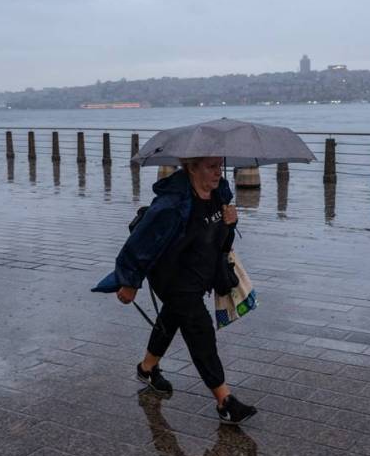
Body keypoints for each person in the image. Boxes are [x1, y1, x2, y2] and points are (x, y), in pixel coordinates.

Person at [93, 157, 258, 425]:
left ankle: (146, 369)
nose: (217, 172)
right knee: (199, 329)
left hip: (200, 275)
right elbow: (142, 243)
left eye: (219, 165)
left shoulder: (220, 194)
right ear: (192, 167)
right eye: (210, 166)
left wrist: (230, 224)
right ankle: (224, 401)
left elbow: (221, 243)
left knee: (172, 318)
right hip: (173, 278)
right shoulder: (171, 204)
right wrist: (130, 281)